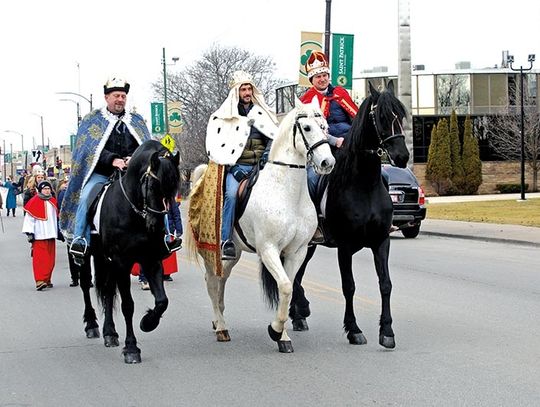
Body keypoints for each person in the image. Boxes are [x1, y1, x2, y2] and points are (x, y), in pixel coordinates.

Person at [59, 77, 183, 264]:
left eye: (123, 96)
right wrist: (112, 160)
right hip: (102, 174)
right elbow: (87, 150)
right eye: (116, 95)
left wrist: (134, 158)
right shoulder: (92, 120)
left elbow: (146, 147)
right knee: (85, 197)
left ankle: (165, 237)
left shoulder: (136, 120)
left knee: (156, 195)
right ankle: (80, 239)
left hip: (131, 174)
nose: (120, 99)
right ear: (106, 97)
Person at [205, 70, 279, 260]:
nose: (247, 92)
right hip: (238, 168)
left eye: (249, 89)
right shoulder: (223, 117)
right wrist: (232, 168)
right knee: (230, 195)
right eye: (243, 89)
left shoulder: (262, 112)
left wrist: (267, 154)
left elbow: (273, 136)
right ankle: (226, 240)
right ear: (236, 92)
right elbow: (218, 148)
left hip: (262, 167)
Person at [300, 51, 359, 199]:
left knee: (382, 174)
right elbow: (310, 132)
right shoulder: (307, 100)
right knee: (312, 178)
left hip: (350, 144)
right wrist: (335, 141)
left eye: (324, 75)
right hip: (324, 147)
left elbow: (356, 119)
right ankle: (315, 215)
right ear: (312, 80)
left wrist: (353, 139)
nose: (322, 79)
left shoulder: (341, 92)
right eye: (318, 76)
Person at [22, 180, 59, 291]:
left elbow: (57, 217)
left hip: (51, 234)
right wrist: (30, 233)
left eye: (48, 189)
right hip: (39, 235)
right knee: (40, 259)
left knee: (50, 259)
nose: (47, 191)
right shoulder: (34, 202)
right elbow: (29, 219)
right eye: (45, 189)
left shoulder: (53, 201)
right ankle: (39, 280)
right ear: (40, 190)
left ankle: (47, 279)